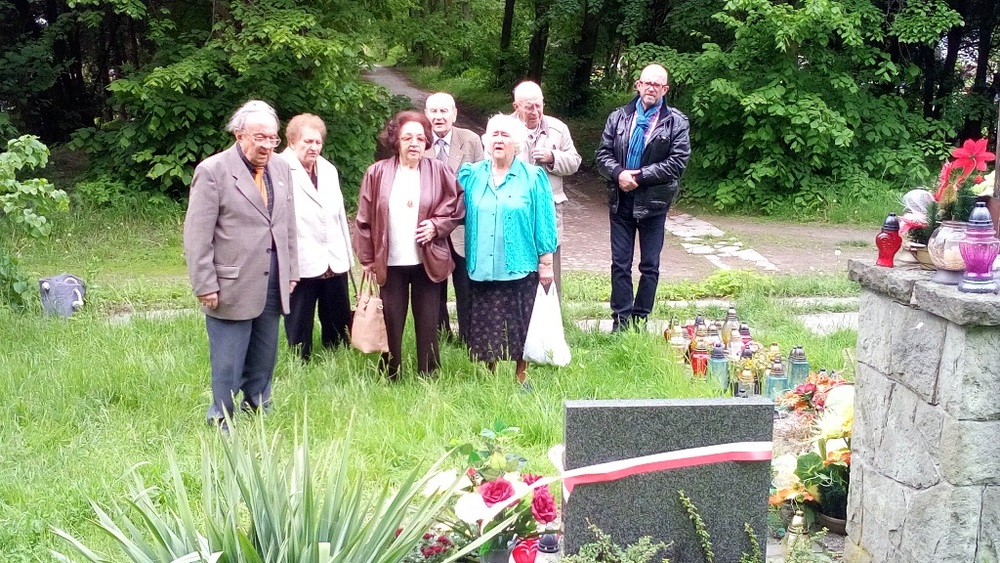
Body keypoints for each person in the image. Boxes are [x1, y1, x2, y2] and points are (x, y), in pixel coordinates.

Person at [183, 100, 299, 428]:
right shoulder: (213, 171)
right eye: (259, 138)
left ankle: (258, 405)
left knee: (265, 352)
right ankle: (221, 416)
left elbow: (286, 224)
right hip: (230, 281)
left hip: (273, 277)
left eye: (273, 139)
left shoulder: (281, 169)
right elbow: (197, 235)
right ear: (239, 135)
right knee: (228, 359)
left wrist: (291, 270)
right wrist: (204, 283)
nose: (267, 146)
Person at [353, 111, 464, 380]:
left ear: (426, 141)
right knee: (391, 321)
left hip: (428, 260)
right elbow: (364, 218)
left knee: (428, 322)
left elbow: (457, 205)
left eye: (419, 137)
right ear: (396, 141)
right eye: (407, 138)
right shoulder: (377, 172)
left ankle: (429, 375)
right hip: (390, 261)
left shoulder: (439, 170)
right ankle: (390, 373)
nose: (414, 143)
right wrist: (367, 259)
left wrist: (436, 226)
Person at [457, 114, 557, 386]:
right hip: (482, 264)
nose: (498, 140)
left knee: (519, 323)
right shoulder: (471, 175)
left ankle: (520, 375)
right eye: (494, 135)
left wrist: (545, 261)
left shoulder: (533, 177)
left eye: (505, 135)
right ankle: (489, 377)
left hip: (519, 264)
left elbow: (544, 220)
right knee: (486, 323)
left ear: (517, 144)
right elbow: (453, 211)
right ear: (486, 141)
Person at [595, 64, 691, 333]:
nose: (651, 89)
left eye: (657, 85)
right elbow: (602, 155)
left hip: (654, 203)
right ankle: (621, 322)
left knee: (650, 265)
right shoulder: (618, 118)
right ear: (637, 85)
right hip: (621, 200)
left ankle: (640, 320)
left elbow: (677, 163)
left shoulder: (676, 122)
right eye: (646, 83)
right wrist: (618, 173)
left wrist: (639, 176)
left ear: (665, 90)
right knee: (620, 263)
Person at [279, 113, 353, 361]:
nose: (314, 147)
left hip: (333, 256)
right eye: (307, 142)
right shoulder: (278, 169)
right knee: (300, 317)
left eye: (318, 142)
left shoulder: (329, 169)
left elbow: (340, 214)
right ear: (291, 142)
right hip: (301, 257)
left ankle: (337, 357)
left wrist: (347, 257)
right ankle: (301, 360)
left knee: (339, 319)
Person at [424, 92, 484, 343]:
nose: (439, 116)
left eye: (444, 111)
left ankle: (469, 336)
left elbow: (482, 181)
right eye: (434, 111)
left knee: (466, 285)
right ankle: (440, 336)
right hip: (431, 228)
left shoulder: (470, 140)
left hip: (463, 226)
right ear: (427, 114)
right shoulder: (419, 140)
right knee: (433, 285)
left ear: (454, 114)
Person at [511, 81, 581, 296]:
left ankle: (550, 322)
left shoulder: (558, 129)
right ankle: (517, 322)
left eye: (539, 105)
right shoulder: (503, 129)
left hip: (549, 209)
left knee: (550, 268)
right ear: (516, 106)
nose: (535, 112)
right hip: (515, 208)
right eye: (529, 107)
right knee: (516, 265)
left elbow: (575, 161)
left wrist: (553, 158)